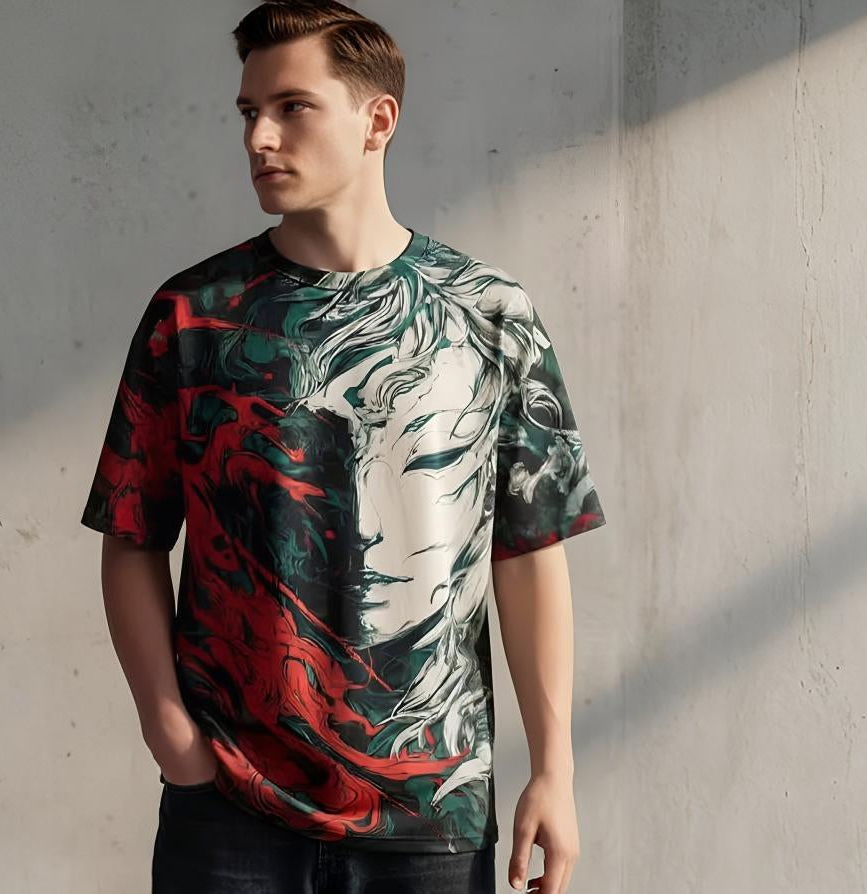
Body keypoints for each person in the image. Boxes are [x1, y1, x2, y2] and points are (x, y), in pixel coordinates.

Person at [79, 2, 606, 891]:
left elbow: (526, 548)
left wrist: (553, 768)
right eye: (249, 112)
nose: (259, 137)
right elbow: (131, 536)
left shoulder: (487, 314)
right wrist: (170, 737)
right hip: (229, 813)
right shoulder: (193, 314)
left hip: (430, 811)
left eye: (292, 107)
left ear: (377, 120)